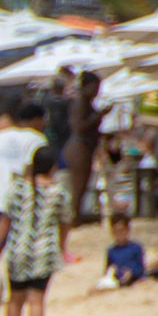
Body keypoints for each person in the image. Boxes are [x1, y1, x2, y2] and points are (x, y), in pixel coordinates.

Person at [0, 145, 69, 316]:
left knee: (14, 300)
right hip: (43, 251)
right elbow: (64, 224)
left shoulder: (17, 188)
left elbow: (5, 220)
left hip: (18, 249)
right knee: (36, 300)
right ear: (53, 167)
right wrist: (62, 248)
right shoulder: (58, 193)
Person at [0, 102, 48, 246]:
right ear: (37, 120)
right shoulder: (37, 139)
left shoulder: (0, 135)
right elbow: (33, 168)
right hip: (16, 198)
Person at [62, 69, 102, 235]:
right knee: (77, 186)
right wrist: (98, 117)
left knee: (82, 185)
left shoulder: (86, 103)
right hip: (79, 147)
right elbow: (78, 126)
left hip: (84, 147)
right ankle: (73, 218)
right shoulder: (80, 103)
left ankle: (75, 216)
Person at [104, 213, 147, 287]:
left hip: (134, 280)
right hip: (117, 280)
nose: (119, 234)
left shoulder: (136, 248)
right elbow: (108, 270)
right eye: (115, 231)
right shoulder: (111, 251)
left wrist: (131, 272)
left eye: (121, 230)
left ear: (127, 229)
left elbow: (141, 268)